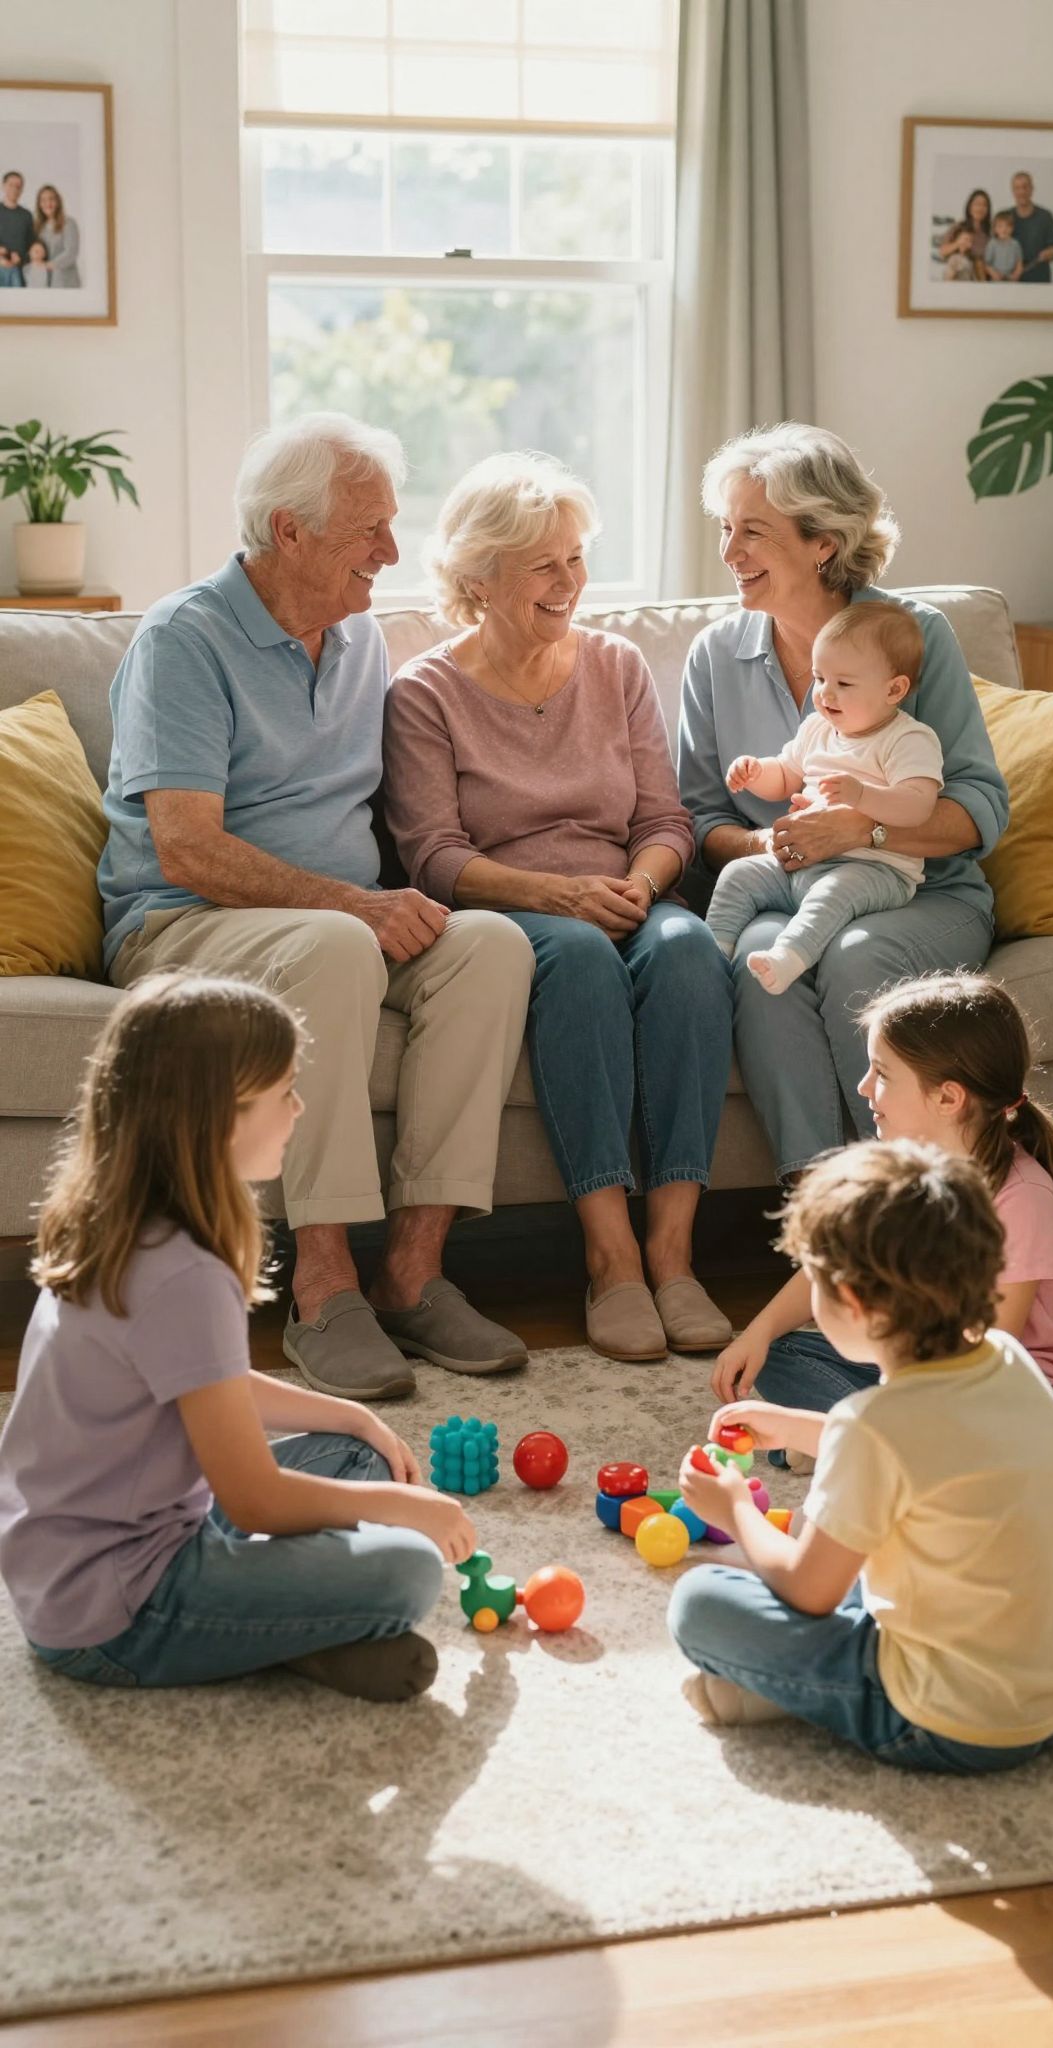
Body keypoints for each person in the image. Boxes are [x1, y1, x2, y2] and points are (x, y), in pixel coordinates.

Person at [98, 412, 536, 1400]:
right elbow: (186, 843)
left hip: (328, 921)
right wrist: (356, 905)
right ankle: (322, 1284)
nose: (390, 550)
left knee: (493, 945)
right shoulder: (186, 637)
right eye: (368, 528)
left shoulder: (360, 643)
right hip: (179, 921)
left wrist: (402, 895)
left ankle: (414, 1269)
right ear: (288, 530)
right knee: (342, 944)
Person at [0, 973, 474, 1701]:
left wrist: (356, 1415)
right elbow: (254, 1500)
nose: (298, 1108)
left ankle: (286, 1626)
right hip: (114, 1610)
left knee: (357, 1453)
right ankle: (290, 1629)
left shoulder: (126, 1221)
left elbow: (201, 1381)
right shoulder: (182, 1272)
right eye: (282, 1092)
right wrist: (411, 1513)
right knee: (407, 1568)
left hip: (90, 1555)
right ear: (219, 1118)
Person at [384, 451, 735, 1366]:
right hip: (513, 913)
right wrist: (557, 896)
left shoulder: (616, 667)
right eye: (545, 564)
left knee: (692, 947)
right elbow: (435, 856)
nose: (570, 583)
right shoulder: (424, 692)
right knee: (576, 958)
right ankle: (610, 1256)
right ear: (478, 577)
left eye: (576, 558)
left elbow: (665, 819)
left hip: (625, 890)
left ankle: (673, 1250)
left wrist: (644, 886)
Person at [668, 1140, 1053, 1764]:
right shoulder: (1011, 1362)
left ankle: (803, 1694)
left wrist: (734, 1507)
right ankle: (788, 1688)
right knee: (853, 1533)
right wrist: (795, 1427)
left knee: (699, 1603)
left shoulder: (872, 1425)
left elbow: (808, 1590)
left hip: (953, 1723)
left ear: (850, 1304)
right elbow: (926, 1454)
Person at [678, 422, 1008, 1181]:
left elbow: (980, 810)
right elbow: (700, 821)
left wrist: (864, 829)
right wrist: (777, 845)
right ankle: (821, 1206)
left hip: (920, 891)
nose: (730, 554)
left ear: (822, 541)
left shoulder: (912, 637)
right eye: (726, 529)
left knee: (859, 956)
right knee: (763, 961)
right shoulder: (716, 657)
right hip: (788, 886)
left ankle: (909, 1201)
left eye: (753, 533)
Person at [713, 972, 1053, 1441]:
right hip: (923, 1365)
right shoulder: (904, 1169)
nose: (863, 1087)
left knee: (975, 1426)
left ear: (947, 1097)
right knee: (778, 1354)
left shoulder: (1024, 1199)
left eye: (882, 1074)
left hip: (1016, 1390)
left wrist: (908, 1392)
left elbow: (989, 1350)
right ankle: (877, 1440)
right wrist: (758, 1331)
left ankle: (849, 1441)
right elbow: (834, 1264)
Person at [705, 603, 941, 994]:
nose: (825, 693)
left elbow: (919, 804)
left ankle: (788, 957)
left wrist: (862, 796)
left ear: (894, 689)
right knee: (739, 875)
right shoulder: (818, 728)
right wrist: (756, 772)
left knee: (833, 894)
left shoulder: (907, 739)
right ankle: (712, 955)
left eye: (844, 684)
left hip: (876, 872)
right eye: (819, 678)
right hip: (802, 864)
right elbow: (785, 775)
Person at [1009, 172, 1053, 282]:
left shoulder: (1046, 216)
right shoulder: (1005, 217)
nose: (1022, 191)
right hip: (1010, 282)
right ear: (1013, 191)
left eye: (1025, 187)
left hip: (1039, 281)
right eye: (1017, 188)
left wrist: (1051, 252)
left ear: (1032, 189)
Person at [34, 184, 81, 288]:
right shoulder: (38, 227)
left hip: (66, 281)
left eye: (51, 199)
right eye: (43, 200)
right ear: (39, 204)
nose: (48, 203)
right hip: (45, 282)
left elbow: (71, 252)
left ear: (58, 202)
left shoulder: (68, 223)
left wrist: (49, 265)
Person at [938, 187, 992, 268]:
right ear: (970, 207)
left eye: (984, 205)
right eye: (977, 204)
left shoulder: (993, 229)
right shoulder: (959, 226)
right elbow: (942, 252)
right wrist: (958, 243)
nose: (980, 208)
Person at [0, 169, 32, 285]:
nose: (14, 189)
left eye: (18, 186)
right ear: (3, 186)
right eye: (11, 185)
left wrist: (21, 259)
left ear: (22, 190)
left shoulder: (26, 215)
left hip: (19, 272)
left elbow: (31, 244)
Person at [983, 210, 1024, 283]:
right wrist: (993, 274)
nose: (1004, 229)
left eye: (1007, 226)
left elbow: (1019, 263)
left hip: (1011, 279)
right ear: (995, 228)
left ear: (1012, 228)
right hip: (995, 279)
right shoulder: (992, 244)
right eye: (1000, 226)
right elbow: (987, 264)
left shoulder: (1015, 244)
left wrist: (1016, 274)